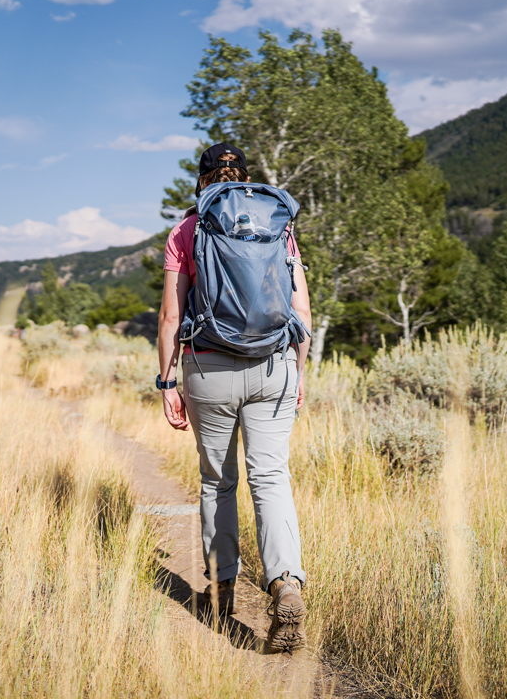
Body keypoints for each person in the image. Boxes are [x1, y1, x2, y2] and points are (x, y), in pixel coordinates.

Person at [156, 142, 312, 653]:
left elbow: (169, 318)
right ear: (244, 177)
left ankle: (222, 587)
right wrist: (298, 370)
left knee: (217, 480)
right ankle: (285, 581)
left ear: (201, 179)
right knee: (271, 477)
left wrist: (166, 381)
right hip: (273, 365)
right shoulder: (276, 222)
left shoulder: (187, 229)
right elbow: (300, 306)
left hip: (209, 367)